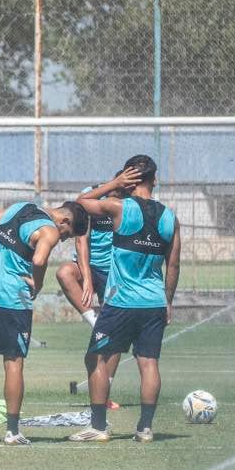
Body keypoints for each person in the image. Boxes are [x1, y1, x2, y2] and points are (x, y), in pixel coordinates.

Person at [70, 157, 181, 444]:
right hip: (154, 302)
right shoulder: (170, 217)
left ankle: (98, 427)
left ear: (130, 180)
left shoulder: (119, 207)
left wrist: (113, 185)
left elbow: (80, 203)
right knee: (149, 364)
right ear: (154, 180)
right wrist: (168, 301)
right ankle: (144, 428)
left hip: (120, 302)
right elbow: (174, 266)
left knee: (95, 358)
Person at [0, 197, 88, 445]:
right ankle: (12, 432)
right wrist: (39, 283)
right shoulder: (50, 230)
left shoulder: (18, 207)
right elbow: (39, 260)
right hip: (13, 299)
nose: (62, 239)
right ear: (65, 220)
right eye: (67, 234)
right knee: (14, 363)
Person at [55, 181, 115, 396]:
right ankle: (94, 322)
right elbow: (81, 240)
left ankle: (107, 383)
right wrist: (87, 278)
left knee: (113, 329)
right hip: (88, 265)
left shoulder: (131, 203)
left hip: (114, 271)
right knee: (64, 272)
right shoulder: (91, 196)